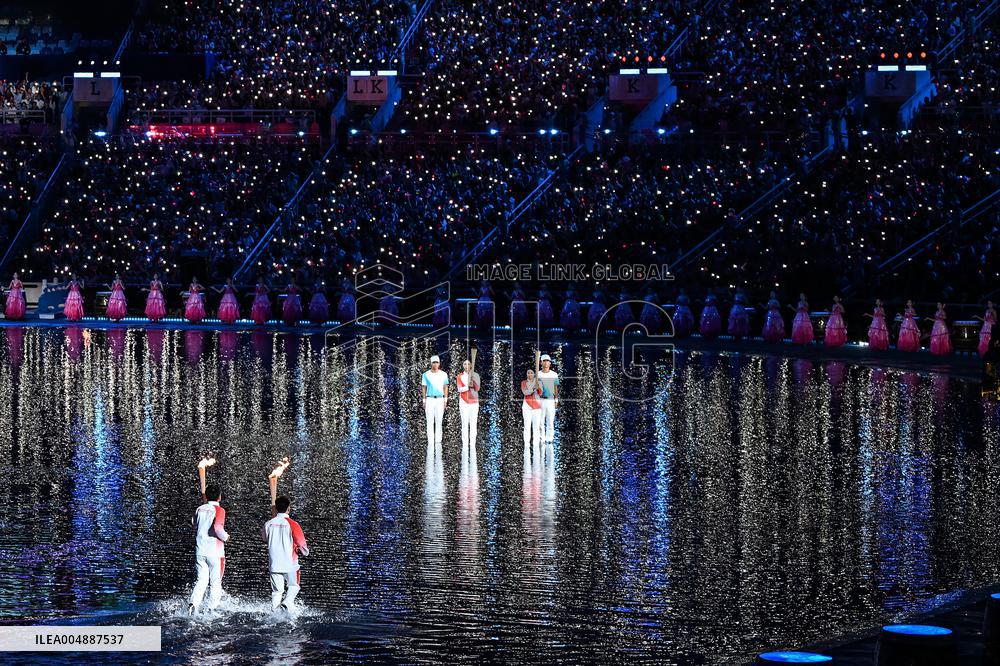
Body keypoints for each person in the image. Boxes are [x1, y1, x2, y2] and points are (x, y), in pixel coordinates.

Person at [261, 496, 309, 613]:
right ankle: (287, 602)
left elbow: (264, 538)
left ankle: (274, 614)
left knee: (277, 591)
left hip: (274, 563)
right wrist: (304, 552)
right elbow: (302, 546)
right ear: (289, 509)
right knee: (294, 586)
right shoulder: (293, 524)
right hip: (290, 563)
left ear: (276, 509)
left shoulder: (268, 524)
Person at [189, 483, 229, 614]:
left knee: (201, 580)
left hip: (200, 551)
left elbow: (193, 524)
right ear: (219, 497)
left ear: (206, 496)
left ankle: (193, 604)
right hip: (215, 553)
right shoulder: (220, 510)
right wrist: (226, 537)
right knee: (215, 582)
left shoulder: (199, 509)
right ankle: (212, 609)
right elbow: (218, 528)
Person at [422, 355, 449, 445]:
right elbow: (424, 388)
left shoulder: (444, 374)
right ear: (431, 363)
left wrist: (445, 400)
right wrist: (424, 401)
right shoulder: (425, 375)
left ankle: (438, 442)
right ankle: (430, 442)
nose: (435, 364)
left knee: (439, 421)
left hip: (440, 400)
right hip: (430, 399)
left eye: (437, 362)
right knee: (429, 421)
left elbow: (445, 387)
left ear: (439, 363)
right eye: (434, 362)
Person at [456, 358, 480, 449]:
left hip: (474, 403)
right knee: (464, 424)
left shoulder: (476, 375)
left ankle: (472, 444)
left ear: (471, 365)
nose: (466, 366)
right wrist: (467, 386)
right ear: (463, 366)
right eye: (465, 364)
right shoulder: (459, 376)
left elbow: (477, 389)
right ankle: (465, 444)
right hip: (464, 402)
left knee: (473, 424)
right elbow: (459, 389)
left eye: (468, 364)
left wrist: (473, 381)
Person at [537, 354, 559, 443]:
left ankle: (549, 439)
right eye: (544, 361)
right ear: (541, 362)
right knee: (540, 421)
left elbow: (555, 387)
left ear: (550, 363)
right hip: (540, 400)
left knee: (550, 420)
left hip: (550, 400)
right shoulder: (538, 374)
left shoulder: (554, 374)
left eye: (548, 361)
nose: (546, 363)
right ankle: (541, 438)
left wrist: (556, 399)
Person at [521, 368, 543, 446]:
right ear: (527, 374)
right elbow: (525, 392)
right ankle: (526, 444)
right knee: (527, 426)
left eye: (531, 373)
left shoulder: (538, 382)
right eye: (528, 373)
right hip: (527, 407)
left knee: (536, 427)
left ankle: (536, 444)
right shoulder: (524, 382)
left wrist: (538, 387)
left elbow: (540, 393)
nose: (529, 374)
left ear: (534, 374)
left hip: (536, 407)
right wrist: (534, 388)